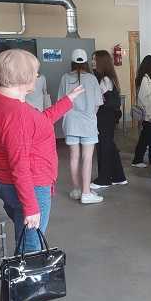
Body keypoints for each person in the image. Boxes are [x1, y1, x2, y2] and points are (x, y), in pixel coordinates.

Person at [0, 49, 84, 301]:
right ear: (24, 77)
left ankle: (17, 288)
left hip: (6, 182)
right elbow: (20, 165)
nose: (38, 76)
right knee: (30, 244)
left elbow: (38, 121)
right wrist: (31, 207)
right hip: (27, 186)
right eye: (35, 72)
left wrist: (67, 102)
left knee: (23, 236)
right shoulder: (15, 113)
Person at [58, 49, 103, 204]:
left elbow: (61, 102)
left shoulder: (65, 78)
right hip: (88, 123)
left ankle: (77, 190)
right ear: (85, 62)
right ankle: (86, 193)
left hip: (71, 123)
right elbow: (97, 103)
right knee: (87, 158)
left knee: (74, 157)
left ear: (72, 62)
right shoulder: (92, 78)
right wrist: (89, 115)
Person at [91, 50, 127, 189]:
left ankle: (104, 179)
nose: (93, 62)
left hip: (104, 117)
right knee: (109, 146)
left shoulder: (104, 79)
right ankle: (119, 177)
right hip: (108, 117)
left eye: (95, 59)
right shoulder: (108, 78)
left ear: (102, 62)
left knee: (104, 146)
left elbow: (97, 100)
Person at [132, 55, 151, 167]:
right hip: (149, 116)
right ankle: (137, 160)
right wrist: (150, 115)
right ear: (150, 65)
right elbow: (142, 99)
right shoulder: (144, 79)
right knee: (145, 138)